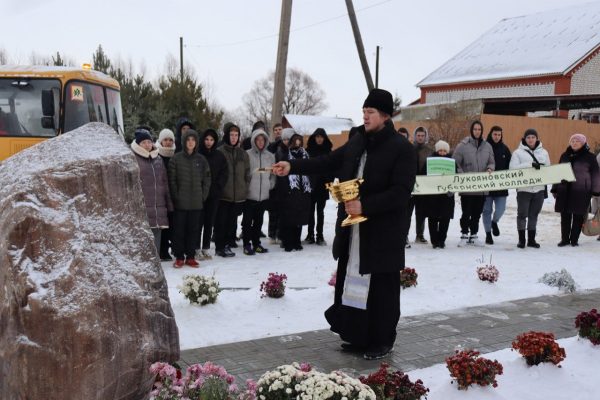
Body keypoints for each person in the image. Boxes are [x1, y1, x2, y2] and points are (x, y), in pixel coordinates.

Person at [273, 88, 416, 360]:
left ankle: (383, 340)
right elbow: (328, 161)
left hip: (382, 231)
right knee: (353, 282)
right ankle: (359, 336)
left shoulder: (401, 149)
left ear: (385, 116)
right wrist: (292, 167)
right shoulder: (359, 141)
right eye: (363, 111)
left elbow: (401, 192)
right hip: (354, 228)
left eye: (370, 112)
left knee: (381, 288)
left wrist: (366, 205)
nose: (365, 116)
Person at [168, 129, 211, 267]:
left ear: (196, 142)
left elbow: (207, 179)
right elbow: (172, 180)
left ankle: (191, 256)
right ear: (184, 142)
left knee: (194, 231)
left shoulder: (201, 159)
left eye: (193, 140)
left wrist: (203, 196)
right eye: (188, 140)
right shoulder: (176, 158)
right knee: (179, 231)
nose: (191, 142)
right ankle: (179, 257)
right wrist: (176, 196)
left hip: (196, 203)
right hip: (181, 203)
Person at [552, 133, 600, 246]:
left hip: (581, 191)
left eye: (577, 141)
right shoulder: (565, 155)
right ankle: (564, 239)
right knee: (565, 216)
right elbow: (557, 172)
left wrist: (596, 190)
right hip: (564, 190)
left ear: (583, 143)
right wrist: (555, 188)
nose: (574, 143)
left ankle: (574, 240)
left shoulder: (590, 157)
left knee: (578, 216)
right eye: (572, 141)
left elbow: (595, 175)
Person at [131, 128, 173, 254]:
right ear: (138, 144)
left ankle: (156, 263)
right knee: (143, 236)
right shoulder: (133, 158)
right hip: (142, 205)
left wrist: (169, 204)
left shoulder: (158, 159)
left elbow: (164, 182)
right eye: (143, 142)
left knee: (157, 234)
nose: (147, 145)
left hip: (158, 206)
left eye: (149, 142)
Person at [453, 120, 495, 246]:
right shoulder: (463, 146)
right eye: (475, 129)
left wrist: (490, 169)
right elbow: (455, 163)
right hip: (467, 187)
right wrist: (461, 174)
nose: (477, 131)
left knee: (477, 213)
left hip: (481, 187)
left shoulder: (487, 146)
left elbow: (492, 162)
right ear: (472, 130)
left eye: (479, 129)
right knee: (466, 212)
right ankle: (464, 234)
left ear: (482, 131)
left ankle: (474, 234)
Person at [509, 128, 550, 248]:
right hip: (524, 190)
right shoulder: (517, 153)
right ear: (524, 139)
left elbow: (548, 169)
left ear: (537, 138)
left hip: (539, 189)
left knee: (534, 215)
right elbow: (512, 169)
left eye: (533, 137)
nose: (531, 139)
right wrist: (529, 165)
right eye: (528, 137)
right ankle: (522, 240)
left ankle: (531, 240)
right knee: (522, 215)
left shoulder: (544, 153)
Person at [214, 123, 250, 257]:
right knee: (221, 223)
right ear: (227, 136)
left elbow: (247, 173)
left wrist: (244, 188)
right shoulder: (220, 151)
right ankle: (220, 247)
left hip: (238, 195)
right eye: (231, 135)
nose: (234, 138)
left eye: (236, 135)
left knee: (231, 223)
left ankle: (228, 244)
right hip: (224, 194)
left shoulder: (243, 153)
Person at [274, 128, 312, 251]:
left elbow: (311, 172)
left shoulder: (306, 155)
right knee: (289, 218)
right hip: (290, 191)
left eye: (298, 142)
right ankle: (287, 241)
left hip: (303, 190)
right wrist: (286, 189)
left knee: (299, 217)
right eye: (294, 142)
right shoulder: (286, 156)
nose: (297, 144)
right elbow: (282, 174)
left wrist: (310, 186)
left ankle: (297, 241)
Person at [242, 128, 276, 255]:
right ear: (254, 140)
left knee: (259, 221)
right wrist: (247, 186)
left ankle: (256, 243)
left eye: (263, 140)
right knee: (247, 222)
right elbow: (244, 173)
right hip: (250, 194)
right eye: (258, 139)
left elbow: (273, 174)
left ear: (266, 141)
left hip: (263, 195)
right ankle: (247, 244)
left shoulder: (270, 156)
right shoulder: (247, 154)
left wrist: (270, 184)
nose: (260, 142)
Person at [198, 128, 228, 259]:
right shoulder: (198, 154)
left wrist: (218, 187)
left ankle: (206, 247)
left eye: (211, 140)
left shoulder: (219, 156)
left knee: (209, 222)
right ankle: (196, 247)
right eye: (206, 139)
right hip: (199, 195)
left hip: (214, 194)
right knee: (197, 223)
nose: (209, 142)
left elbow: (224, 173)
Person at [423, 140, 455, 249]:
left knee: (445, 219)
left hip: (447, 195)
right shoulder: (429, 162)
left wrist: (453, 189)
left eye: (444, 150)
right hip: (432, 195)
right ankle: (434, 240)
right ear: (437, 151)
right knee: (432, 218)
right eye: (440, 150)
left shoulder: (452, 162)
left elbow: (456, 177)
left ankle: (442, 240)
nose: (442, 152)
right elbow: (423, 175)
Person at [482, 126, 512, 245]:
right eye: (495, 134)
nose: (497, 137)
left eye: (499, 135)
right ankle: (488, 234)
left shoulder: (505, 149)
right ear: (491, 134)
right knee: (486, 210)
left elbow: (511, 166)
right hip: (486, 185)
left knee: (501, 209)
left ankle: (494, 222)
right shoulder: (484, 148)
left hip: (501, 186)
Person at [305, 128, 333, 245]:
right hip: (311, 185)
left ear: (324, 138)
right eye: (317, 137)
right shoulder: (308, 151)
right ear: (314, 138)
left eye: (321, 137)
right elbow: (305, 167)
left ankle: (320, 236)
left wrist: (329, 179)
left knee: (320, 212)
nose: (319, 139)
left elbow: (333, 167)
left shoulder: (328, 151)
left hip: (322, 185)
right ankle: (310, 235)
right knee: (310, 212)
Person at [408, 126, 433, 244]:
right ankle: (405, 235)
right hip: (410, 186)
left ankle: (420, 234)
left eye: (422, 136)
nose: (420, 138)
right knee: (407, 213)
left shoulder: (430, 151)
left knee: (421, 213)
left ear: (425, 137)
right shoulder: (408, 148)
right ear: (415, 136)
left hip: (424, 186)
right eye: (418, 135)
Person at [155, 128, 177, 261]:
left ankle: (171, 249)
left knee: (172, 224)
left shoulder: (176, 155)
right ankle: (162, 250)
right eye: (165, 140)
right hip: (161, 196)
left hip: (174, 195)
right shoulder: (156, 155)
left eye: (170, 140)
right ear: (160, 141)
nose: (168, 142)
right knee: (162, 226)